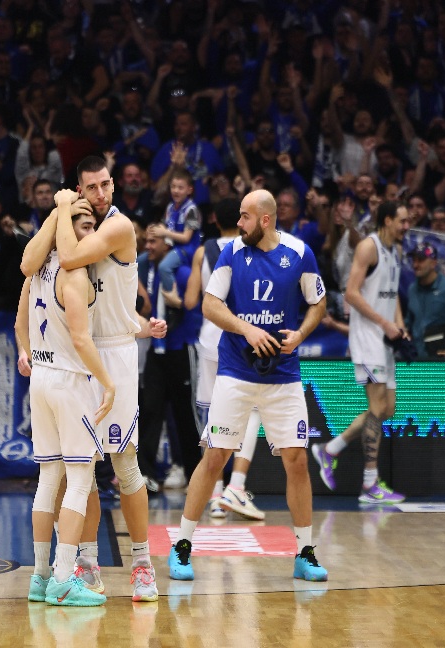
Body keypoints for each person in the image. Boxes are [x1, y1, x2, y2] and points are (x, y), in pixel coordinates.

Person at [21, 155, 163, 602]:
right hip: (77, 355)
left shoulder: (119, 226)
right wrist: (59, 213)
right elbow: (31, 268)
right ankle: (85, 562)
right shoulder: (73, 221)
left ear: (113, 185)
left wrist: (61, 209)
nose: (100, 194)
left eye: (106, 185)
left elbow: (69, 257)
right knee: (79, 469)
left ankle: (142, 564)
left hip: (112, 357)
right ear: (79, 190)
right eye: (92, 187)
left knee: (124, 465)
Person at [168, 189, 328, 583]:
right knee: (215, 456)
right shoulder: (232, 253)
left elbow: (318, 303)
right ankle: (182, 545)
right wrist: (247, 329)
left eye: (245, 216)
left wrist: (301, 334)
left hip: (283, 375)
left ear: (266, 219)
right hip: (236, 372)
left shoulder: (300, 253)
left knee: (297, 460)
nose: (238, 224)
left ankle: (305, 552)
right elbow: (210, 305)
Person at [16, 204, 113, 607]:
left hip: (40, 379)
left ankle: (40, 577)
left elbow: (19, 323)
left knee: (48, 480)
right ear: (66, 230)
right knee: (79, 480)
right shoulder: (73, 274)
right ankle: (63, 580)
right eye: (85, 226)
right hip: (71, 381)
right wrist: (108, 383)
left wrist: (27, 352)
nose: (93, 233)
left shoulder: (37, 269)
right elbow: (80, 338)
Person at [311, 202, 411, 504]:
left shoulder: (396, 251)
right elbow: (352, 294)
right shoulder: (369, 247)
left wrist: (399, 325)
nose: (407, 226)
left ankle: (329, 450)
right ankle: (369, 484)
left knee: (387, 408)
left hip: (386, 339)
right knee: (377, 407)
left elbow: (392, 294)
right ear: (388, 220)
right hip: (368, 338)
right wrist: (384, 323)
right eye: (402, 221)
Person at [183, 198, 265, 521]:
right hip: (243, 336)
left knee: (211, 414)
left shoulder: (203, 251)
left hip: (210, 339)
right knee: (252, 410)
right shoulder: (253, 249)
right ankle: (237, 486)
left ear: (215, 219)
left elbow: (191, 300)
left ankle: (216, 495)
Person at [136, 226, 201, 488]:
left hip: (180, 350)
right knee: (150, 410)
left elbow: (195, 310)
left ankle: (194, 474)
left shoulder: (183, 274)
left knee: (185, 414)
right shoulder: (149, 271)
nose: (148, 246)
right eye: (147, 241)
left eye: (154, 242)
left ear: (167, 245)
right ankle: (146, 474)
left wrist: (179, 307)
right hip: (157, 351)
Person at [148, 168, 201, 334]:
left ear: (189, 190)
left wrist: (164, 232)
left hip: (188, 250)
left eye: (180, 187)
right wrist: (156, 229)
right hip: (174, 248)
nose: (176, 191)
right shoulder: (170, 207)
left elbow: (186, 237)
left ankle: (174, 305)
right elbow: (166, 228)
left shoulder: (191, 209)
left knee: (164, 266)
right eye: (173, 187)